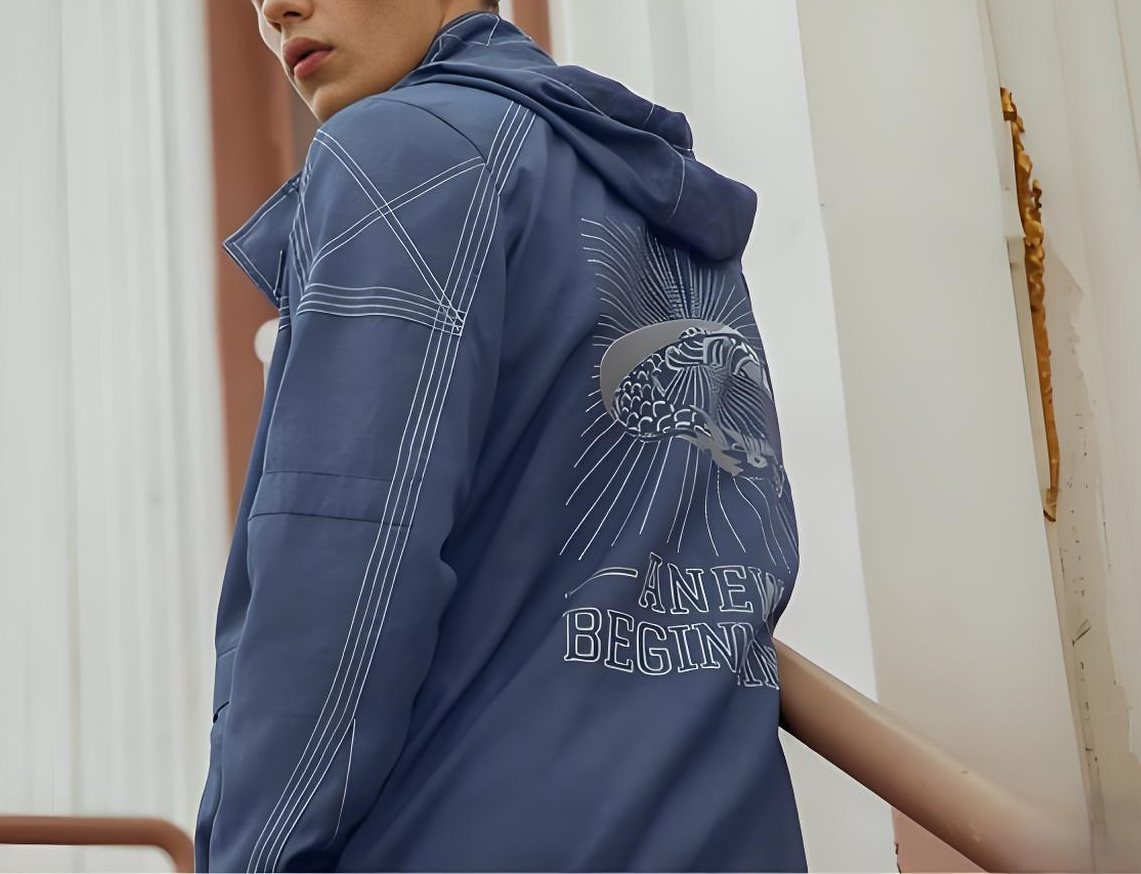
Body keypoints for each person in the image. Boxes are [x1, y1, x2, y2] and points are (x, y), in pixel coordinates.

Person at [196, 0, 807, 870]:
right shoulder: (645, 194)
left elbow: (344, 563)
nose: (273, 8)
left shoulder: (399, 152)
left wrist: (251, 856)